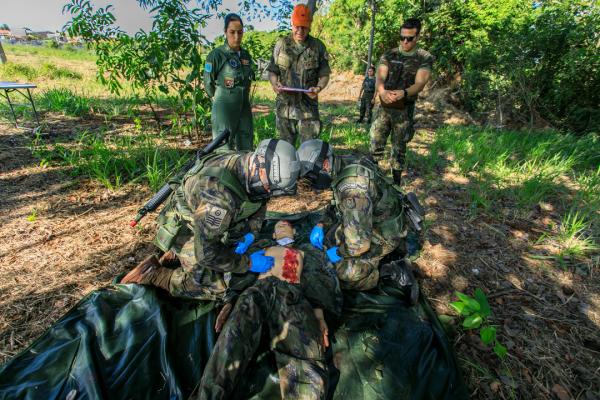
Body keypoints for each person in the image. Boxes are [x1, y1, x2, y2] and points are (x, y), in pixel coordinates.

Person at [121, 139, 301, 301]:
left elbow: (259, 204)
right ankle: (154, 275)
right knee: (215, 286)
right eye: (269, 186)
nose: (269, 191)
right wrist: (248, 263)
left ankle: (177, 256)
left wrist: (251, 235)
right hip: (187, 227)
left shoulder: (251, 166)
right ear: (260, 167)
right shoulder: (219, 199)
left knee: (243, 247)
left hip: (207, 221)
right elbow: (206, 252)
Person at [195, 220, 342, 400]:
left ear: (294, 231)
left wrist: (319, 316)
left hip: (291, 295)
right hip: (259, 291)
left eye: (285, 224)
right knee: (231, 340)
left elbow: (315, 281)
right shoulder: (262, 246)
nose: (280, 224)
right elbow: (244, 273)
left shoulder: (305, 250)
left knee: (307, 355)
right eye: (276, 226)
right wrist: (230, 300)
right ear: (272, 235)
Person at [297, 139, 422, 294]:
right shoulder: (345, 163)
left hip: (384, 234)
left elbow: (359, 245)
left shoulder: (353, 188)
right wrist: (321, 224)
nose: (313, 183)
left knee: (341, 274)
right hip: (374, 220)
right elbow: (339, 204)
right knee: (330, 238)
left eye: (313, 177)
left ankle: (392, 273)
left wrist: (336, 254)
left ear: (325, 165)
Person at [369, 18, 434, 185]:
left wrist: (403, 93)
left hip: (404, 109)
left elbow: (420, 83)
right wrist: (382, 91)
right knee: (376, 141)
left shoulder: (424, 57)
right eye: (402, 37)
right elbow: (380, 75)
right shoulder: (389, 54)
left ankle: (396, 184)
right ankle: (373, 178)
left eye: (409, 38)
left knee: (399, 149)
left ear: (417, 37)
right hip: (384, 107)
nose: (405, 41)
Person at [267, 4, 331, 146]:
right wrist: (274, 83)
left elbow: (325, 74)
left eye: (304, 27)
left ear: (310, 26)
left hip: (308, 110)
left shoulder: (318, 47)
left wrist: (319, 88)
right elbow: (272, 70)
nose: (300, 31)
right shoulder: (281, 44)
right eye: (297, 27)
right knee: (284, 150)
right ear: (292, 23)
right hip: (285, 108)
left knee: (308, 150)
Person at [203, 13, 255, 151]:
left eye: (240, 32)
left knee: (246, 141)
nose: (236, 37)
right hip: (224, 106)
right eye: (232, 32)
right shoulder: (216, 55)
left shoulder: (246, 56)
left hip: (244, 105)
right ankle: (224, 172)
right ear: (225, 32)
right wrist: (218, 98)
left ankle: (244, 171)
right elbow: (208, 82)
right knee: (224, 146)